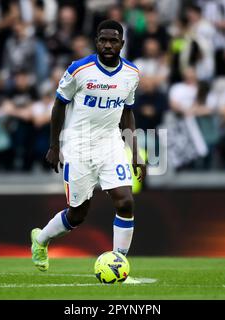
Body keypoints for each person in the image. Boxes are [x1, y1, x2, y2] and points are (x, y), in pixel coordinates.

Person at [30, 20, 145, 280]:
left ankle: (118, 264)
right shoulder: (79, 69)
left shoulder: (132, 74)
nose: (107, 45)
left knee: (126, 202)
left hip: (111, 144)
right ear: (96, 42)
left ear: (122, 44)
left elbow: (127, 113)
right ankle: (41, 239)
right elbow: (59, 105)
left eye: (113, 40)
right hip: (78, 146)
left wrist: (135, 152)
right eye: (103, 40)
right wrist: (54, 145)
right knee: (78, 214)